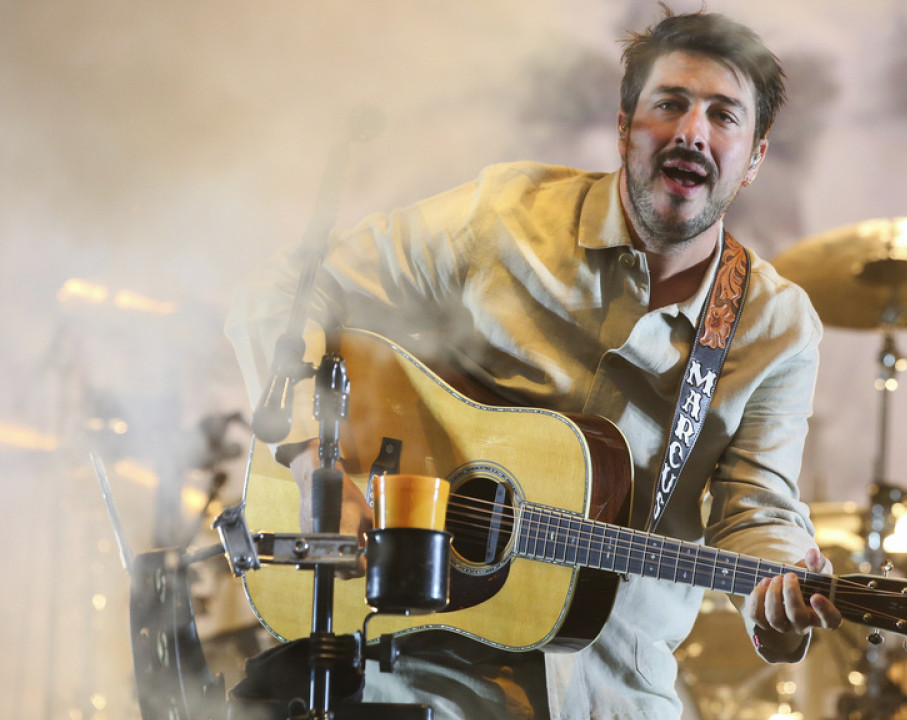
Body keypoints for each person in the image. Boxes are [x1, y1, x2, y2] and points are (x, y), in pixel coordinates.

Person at [225, 7, 840, 719]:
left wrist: (780, 592)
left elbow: (758, 510)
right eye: (670, 103)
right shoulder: (504, 216)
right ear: (624, 127)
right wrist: (315, 462)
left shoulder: (776, 326)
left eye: (723, 116)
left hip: (611, 688)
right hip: (408, 657)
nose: (691, 132)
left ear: (755, 158)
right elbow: (281, 293)